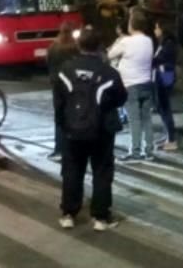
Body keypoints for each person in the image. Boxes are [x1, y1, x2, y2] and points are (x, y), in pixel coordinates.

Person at [55, 28, 127, 231]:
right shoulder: (109, 72)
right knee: (102, 171)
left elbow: (58, 102)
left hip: (72, 129)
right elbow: (121, 98)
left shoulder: (65, 70)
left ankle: (69, 213)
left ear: (79, 46)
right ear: (99, 47)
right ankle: (100, 217)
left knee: (72, 170)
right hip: (102, 130)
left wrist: (62, 124)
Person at [107, 12, 155, 161]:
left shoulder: (126, 42)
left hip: (130, 85)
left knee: (134, 120)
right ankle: (149, 151)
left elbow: (110, 55)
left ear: (131, 25)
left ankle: (135, 151)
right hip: (146, 83)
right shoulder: (148, 41)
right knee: (146, 118)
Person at [46, 22, 79, 161]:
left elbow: (48, 62)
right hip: (74, 85)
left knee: (59, 118)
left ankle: (59, 150)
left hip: (58, 86)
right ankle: (75, 148)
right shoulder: (76, 47)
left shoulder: (54, 47)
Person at [152, 21, 178, 151]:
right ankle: (168, 135)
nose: (155, 30)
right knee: (161, 106)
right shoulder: (164, 43)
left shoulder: (168, 44)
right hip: (163, 75)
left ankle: (171, 139)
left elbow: (160, 59)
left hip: (165, 76)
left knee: (164, 107)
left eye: (157, 27)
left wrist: (149, 61)